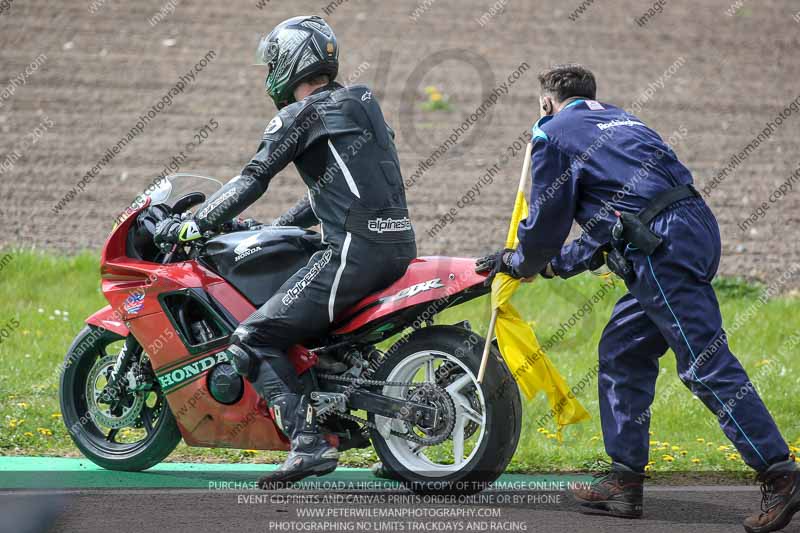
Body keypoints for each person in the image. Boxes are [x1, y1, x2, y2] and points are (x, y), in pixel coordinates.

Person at [476, 64, 799, 532]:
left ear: (546, 102)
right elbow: (615, 222)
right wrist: (553, 265)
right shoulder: (623, 122)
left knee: (704, 361)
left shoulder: (551, 133)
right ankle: (624, 482)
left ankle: (780, 473)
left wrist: (519, 261)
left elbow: (547, 223)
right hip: (688, 229)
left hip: (659, 247)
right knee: (623, 351)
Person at [154, 15, 416, 488]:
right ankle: (380, 431)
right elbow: (335, 191)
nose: (268, 69)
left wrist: (196, 223)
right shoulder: (362, 102)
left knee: (253, 338)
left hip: (353, 253)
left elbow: (252, 178)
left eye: (272, 60)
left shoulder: (300, 115)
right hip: (397, 245)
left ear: (290, 62)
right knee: (324, 332)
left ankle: (308, 444)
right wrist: (278, 227)